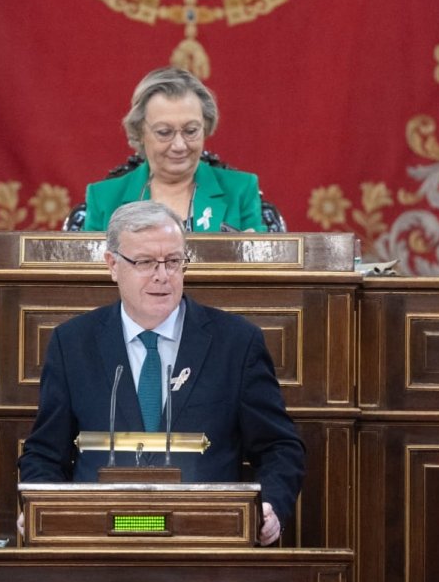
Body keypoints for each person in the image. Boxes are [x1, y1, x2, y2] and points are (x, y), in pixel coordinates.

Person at [18, 201, 304, 545]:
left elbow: (279, 446)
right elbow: (45, 453)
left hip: (208, 542)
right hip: (100, 543)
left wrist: (271, 506)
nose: (162, 275)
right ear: (112, 265)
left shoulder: (236, 342)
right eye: (144, 262)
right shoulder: (73, 343)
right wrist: (41, 510)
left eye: (173, 261)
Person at [81, 66, 267, 233]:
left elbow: (263, 265)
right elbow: (88, 270)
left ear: (206, 127)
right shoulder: (103, 197)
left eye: (190, 131)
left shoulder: (241, 190)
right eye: (164, 132)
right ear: (140, 132)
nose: (179, 145)